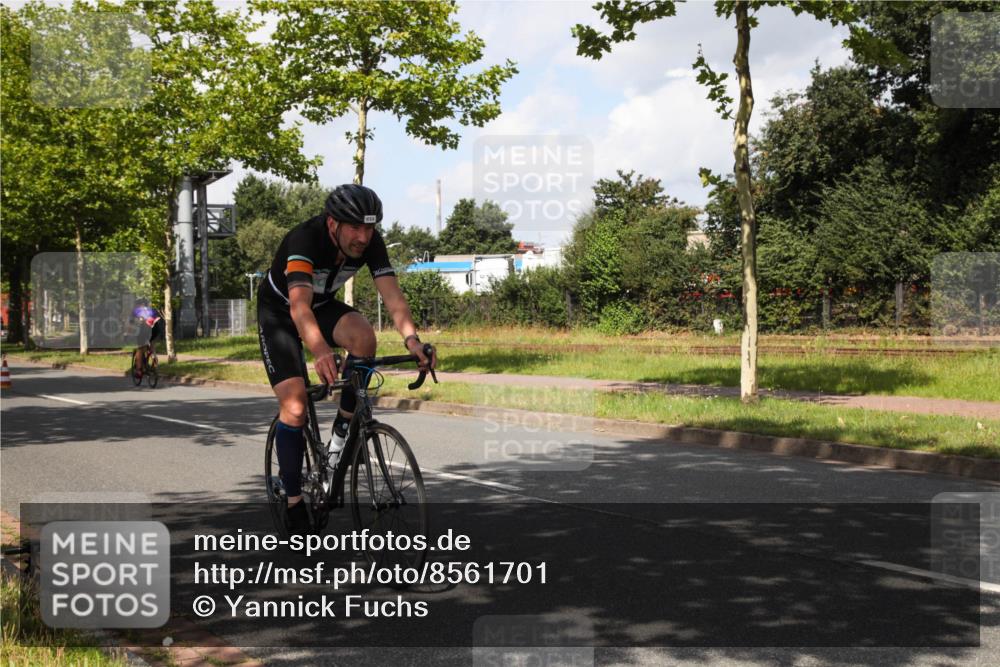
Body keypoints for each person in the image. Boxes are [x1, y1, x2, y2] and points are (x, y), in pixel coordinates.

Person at [256, 184, 436, 534]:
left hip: (321, 307)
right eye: (354, 227)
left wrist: (412, 340)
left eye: (369, 228)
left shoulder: (371, 242)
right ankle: (293, 500)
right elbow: (299, 307)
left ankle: (339, 442)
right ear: (332, 223)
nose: (363, 237)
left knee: (364, 337)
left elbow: (392, 295)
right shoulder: (305, 240)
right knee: (295, 406)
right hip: (280, 313)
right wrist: (320, 350)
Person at [131, 299, 164, 376]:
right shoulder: (152, 310)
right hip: (155, 330)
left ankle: (139, 370)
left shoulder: (136, 311)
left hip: (144, 330)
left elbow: (131, 322)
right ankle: (154, 361)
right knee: (152, 347)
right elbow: (157, 319)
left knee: (140, 348)